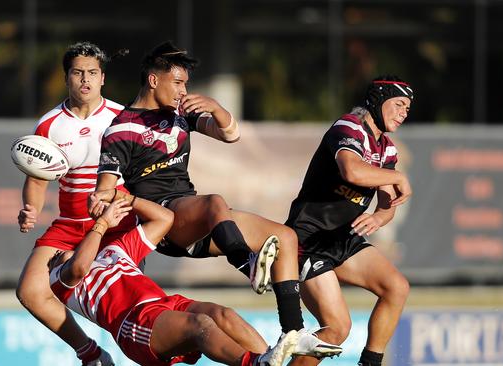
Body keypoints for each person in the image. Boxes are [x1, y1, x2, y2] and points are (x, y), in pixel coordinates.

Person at [91, 40, 342, 359]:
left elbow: (230, 134)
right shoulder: (122, 128)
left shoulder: (180, 115)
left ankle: (293, 331)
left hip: (197, 217)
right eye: (177, 83)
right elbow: (106, 185)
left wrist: (216, 108)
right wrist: (101, 198)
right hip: (166, 221)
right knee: (214, 203)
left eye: (186, 84)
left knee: (286, 237)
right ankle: (247, 263)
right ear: (154, 80)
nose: (183, 90)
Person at [50, 191, 304, 366]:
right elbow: (80, 267)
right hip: (134, 321)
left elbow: (165, 218)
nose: (57, 254)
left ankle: (269, 359)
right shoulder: (60, 280)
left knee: (222, 314)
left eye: (58, 251)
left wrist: (123, 198)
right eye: (54, 257)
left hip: (167, 303)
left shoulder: (113, 251)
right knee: (200, 325)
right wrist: (102, 224)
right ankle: (255, 363)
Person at [285, 75, 413, 366]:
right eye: (399, 104)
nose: (404, 112)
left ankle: (370, 364)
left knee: (396, 287)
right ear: (379, 100)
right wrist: (398, 177)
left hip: (343, 238)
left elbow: (387, 201)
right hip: (308, 240)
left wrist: (380, 217)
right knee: (337, 329)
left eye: (408, 108)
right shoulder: (348, 127)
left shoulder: (386, 148)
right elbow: (352, 172)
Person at [15, 42, 131, 365]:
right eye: (78, 72)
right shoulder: (50, 124)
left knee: (120, 304)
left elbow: (138, 174)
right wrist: (31, 209)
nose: (85, 80)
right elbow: (36, 180)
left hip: (114, 225)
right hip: (68, 225)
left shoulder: (121, 117)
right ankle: (91, 354)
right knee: (30, 291)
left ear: (102, 78)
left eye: (92, 73)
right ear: (67, 77)